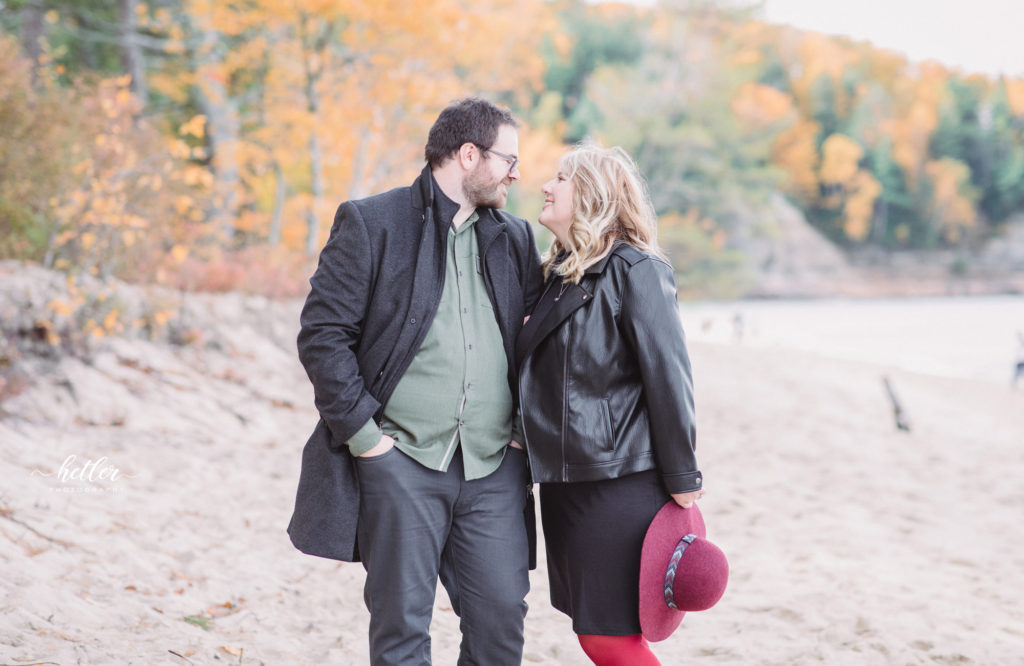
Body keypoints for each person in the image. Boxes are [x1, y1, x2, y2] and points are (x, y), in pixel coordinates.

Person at [288, 97, 543, 665]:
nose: (517, 173)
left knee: (502, 621)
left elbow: (537, 348)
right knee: (402, 628)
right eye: (509, 159)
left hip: (494, 467)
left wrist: (523, 436)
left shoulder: (517, 240)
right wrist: (367, 441)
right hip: (400, 463)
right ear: (468, 154)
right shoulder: (372, 222)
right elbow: (323, 336)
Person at [515, 143, 704, 666]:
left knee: (610, 638)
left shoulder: (636, 269)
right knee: (594, 632)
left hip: (620, 483)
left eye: (560, 178)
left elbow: (670, 376)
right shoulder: (554, 275)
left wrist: (684, 477)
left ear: (594, 195)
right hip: (563, 483)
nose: (546, 187)